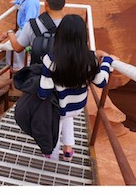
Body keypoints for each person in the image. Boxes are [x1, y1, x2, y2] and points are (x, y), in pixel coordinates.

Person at [38, 14, 113, 160]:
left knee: (57, 124)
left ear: (60, 35)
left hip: (59, 107)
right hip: (77, 106)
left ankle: (51, 155)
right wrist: (107, 61)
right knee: (67, 116)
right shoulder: (90, 59)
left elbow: (44, 91)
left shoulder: (51, 59)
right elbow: (101, 82)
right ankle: (68, 150)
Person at [6, 0, 67, 65]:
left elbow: (17, 48)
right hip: (63, 74)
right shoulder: (71, 25)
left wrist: (10, 33)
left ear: (45, 3)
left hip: (38, 73)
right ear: (64, 4)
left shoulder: (31, 25)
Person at [7, 0, 43, 71]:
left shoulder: (31, 2)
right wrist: (15, 2)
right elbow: (23, 0)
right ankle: (17, 66)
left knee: (15, 45)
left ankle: (18, 67)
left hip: (26, 28)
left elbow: (29, 19)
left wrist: (24, 33)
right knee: (14, 46)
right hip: (23, 28)